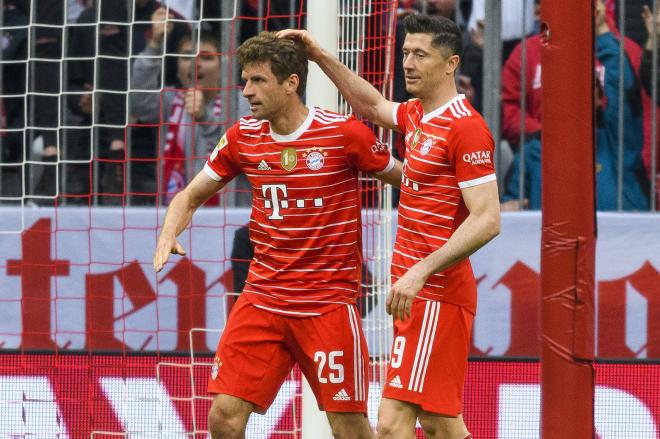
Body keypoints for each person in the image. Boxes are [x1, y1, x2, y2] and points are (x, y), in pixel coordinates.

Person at [153, 31, 402, 438]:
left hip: (327, 305)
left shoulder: (343, 134)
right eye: (245, 81)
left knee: (349, 428)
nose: (247, 91)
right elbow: (190, 195)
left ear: (291, 83)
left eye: (258, 80)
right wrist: (168, 233)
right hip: (263, 299)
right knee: (223, 416)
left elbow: (407, 179)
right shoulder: (243, 137)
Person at [280, 13, 500, 439]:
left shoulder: (467, 128)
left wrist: (420, 271)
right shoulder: (419, 114)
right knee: (439, 424)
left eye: (421, 54)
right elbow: (373, 106)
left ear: (451, 63)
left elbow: (488, 219)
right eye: (405, 53)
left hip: (436, 294)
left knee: (391, 424)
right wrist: (321, 55)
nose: (409, 63)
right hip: (416, 294)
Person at [501, 0, 649, 211]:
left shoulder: (618, 138)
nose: (577, 96)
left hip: (620, 240)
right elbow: (511, 202)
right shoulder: (534, 150)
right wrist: (509, 207)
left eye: (589, 87)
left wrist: (600, 30)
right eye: (569, 89)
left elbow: (621, 84)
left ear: (600, 98)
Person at [130, 21, 246, 204]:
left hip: (226, 214)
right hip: (177, 213)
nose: (195, 63)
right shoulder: (170, 101)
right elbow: (138, 101)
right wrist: (153, 46)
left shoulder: (243, 102)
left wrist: (203, 118)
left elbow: (240, 155)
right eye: (186, 57)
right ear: (177, 69)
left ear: (223, 68)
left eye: (206, 57)